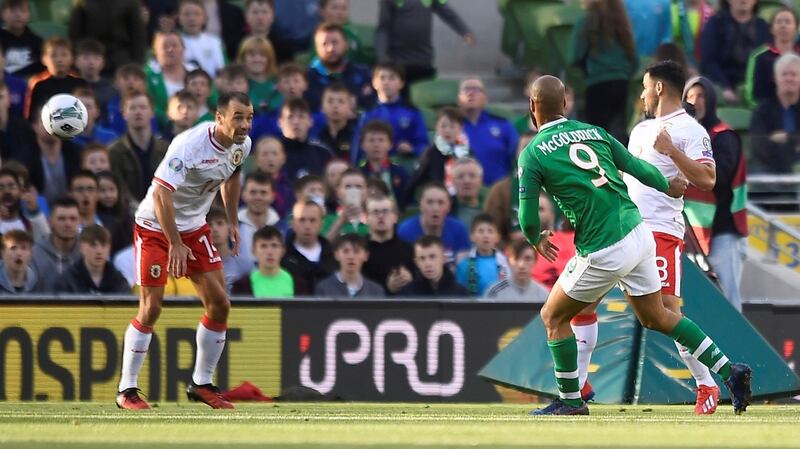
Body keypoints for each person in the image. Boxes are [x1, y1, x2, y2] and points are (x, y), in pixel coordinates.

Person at [519, 74, 750, 416]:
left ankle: (570, 400)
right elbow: (635, 167)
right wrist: (667, 185)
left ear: (532, 107)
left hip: (603, 245)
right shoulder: (594, 132)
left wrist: (535, 237)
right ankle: (731, 371)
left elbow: (527, 217)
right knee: (658, 316)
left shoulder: (532, 153)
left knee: (553, 316)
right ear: (565, 105)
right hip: (640, 234)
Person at [115, 91, 254, 410]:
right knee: (151, 308)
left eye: (249, 117)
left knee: (220, 304)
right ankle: (127, 391)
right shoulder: (188, 146)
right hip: (154, 226)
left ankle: (201, 383)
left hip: (194, 226)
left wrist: (232, 219)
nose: (245, 124)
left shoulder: (242, 145)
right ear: (219, 118)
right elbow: (162, 195)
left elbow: (232, 176)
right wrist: (175, 243)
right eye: (238, 117)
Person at [683, 76, 748, 312]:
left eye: (701, 96)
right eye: (690, 96)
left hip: (723, 232)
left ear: (710, 100)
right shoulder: (683, 137)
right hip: (693, 233)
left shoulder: (724, 136)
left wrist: (686, 165)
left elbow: (717, 178)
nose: (695, 102)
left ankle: (734, 348)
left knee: (727, 303)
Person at [569, 0, 638, 143]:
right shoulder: (623, 22)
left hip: (596, 84)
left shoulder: (585, 21)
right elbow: (634, 60)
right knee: (618, 132)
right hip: (621, 83)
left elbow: (574, 56)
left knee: (597, 136)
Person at [375, 0, 473, 89]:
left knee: (423, 98)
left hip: (423, 60)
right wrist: (383, 57)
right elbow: (383, 29)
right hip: (399, 61)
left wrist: (464, 31)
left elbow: (447, 12)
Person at [700, 0, 769, 105]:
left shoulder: (763, 27)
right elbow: (709, 62)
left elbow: (766, 62)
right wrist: (725, 87)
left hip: (754, 87)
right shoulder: (715, 23)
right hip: (721, 85)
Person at [109, 91, 170, 202]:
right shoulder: (115, 151)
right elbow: (120, 188)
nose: (138, 112)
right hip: (130, 214)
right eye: (132, 108)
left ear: (152, 112)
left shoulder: (166, 149)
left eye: (143, 107)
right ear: (124, 114)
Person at [358, 62, 428, 158]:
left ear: (401, 83)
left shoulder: (412, 112)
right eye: (382, 78)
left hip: (404, 165)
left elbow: (423, 144)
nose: (386, 82)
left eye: (392, 78)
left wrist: (412, 149)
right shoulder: (367, 114)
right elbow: (359, 146)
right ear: (374, 83)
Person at [458, 77, 519, 184]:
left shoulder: (503, 125)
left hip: (499, 191)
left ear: (485, 98)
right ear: (458, 98)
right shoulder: (452, 126)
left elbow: (519, 155)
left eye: (476, 89)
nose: (470, 93)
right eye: (466, 89)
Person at [405, 106, 470, 205]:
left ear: (461, 128)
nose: (447, 130)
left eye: (452, 126)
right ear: (436, 128)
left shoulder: (466, 152)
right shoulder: (430, 153)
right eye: (443, 126)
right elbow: (416, 178)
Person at [750, 52, 800, 174]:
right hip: (769, 168)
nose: (789, 78)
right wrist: (794, 144)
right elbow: (759, 146)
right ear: (775, 78)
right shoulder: (762, 110)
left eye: (793, 74)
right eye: (784, 74)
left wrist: (785, 138)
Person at [397, 182, 470, 265]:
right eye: (430, 202)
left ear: (449, 207)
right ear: (421, 205)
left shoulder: (458, 229)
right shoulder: (405, 232)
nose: (435, 208)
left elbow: (466, 267)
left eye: (441, 202)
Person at [306, 23, 374, 111]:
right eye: (324, 44)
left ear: (346, 45)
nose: (330, 49)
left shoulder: (364, 73)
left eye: (335, 42)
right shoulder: (308, 78)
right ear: (317, 49)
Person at [67, 0, 146, 76]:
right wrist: (77, 64)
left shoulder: (130, 3)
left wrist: (138, 65)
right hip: (92, 57)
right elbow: (75, 35)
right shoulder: (83, 3)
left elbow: (138, 36)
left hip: (121, 58)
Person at [744, 7, 800, 108]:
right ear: (771, 29)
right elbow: (752, 95)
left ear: (796, 29)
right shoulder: (759, 56)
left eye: (788, 22)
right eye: (779, 22)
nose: (783, 25)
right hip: (768, 114)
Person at [280, 199, 336, 296]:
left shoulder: (334, 255)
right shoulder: (283, 257)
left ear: (321, 224)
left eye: (312, 220)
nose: (307, 226)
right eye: (302, 220)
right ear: (292, 223)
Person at [52, 224, 130, 294]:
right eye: (93, 245)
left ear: (109, 248)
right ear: (82, 247)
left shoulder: (119, 281)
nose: (99, 251)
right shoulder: (67, 280)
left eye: (103, 245)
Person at [363, 194, 414, 295]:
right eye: (375, 212)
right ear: (367, 218)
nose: (381, 216)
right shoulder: (359, 251)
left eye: (385, 211)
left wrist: (411, 280)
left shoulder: (410, 250)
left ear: (395, 217)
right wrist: (387, 288)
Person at [25, 36, 86, 120]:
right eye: (54, 55)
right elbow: (32, 117)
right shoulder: (39, 86)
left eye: (64, 55)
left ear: (72, 58)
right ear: (44, 59)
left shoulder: (80, 84)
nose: (59, 60)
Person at [31, 198, 81, 292]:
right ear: (50, 222)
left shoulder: (88, 252)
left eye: (73, 219)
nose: (68, 224)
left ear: (79, 221)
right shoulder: (35, 255)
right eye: (61, 219)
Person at [278, 98, 333, 181]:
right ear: (280, 122)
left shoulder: (322, 153)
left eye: (301, 116)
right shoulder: (273, 153)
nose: (296, 122)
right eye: (290, 117)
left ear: (310, 121)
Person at [455, 213, 509, 297]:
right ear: (472, 236)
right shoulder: (464, 265)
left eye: (490, 231)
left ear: (498, 237)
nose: (485, 235)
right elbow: (459, 292)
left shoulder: (506, 263)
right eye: (481, 231)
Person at [315, 234, 385, 298]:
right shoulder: (323, 288)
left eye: (356, 251)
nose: (351, 257)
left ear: (366, 256)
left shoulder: (376, 291)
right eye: (345, 251)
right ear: (336, 254)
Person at [232, 225, 293, 297]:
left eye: (274, 246)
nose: (269, 252)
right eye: (263, 246)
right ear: (253, 251)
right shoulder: (241, 286)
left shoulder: (298, 283)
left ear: (283, 250)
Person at [146, 31, 194, 123]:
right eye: (165, 46)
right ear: (155, 51)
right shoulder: (148, 76)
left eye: (174, 46)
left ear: (183, 48)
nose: (170, 50)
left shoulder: (196, 73)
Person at [359, 119, 409, 204]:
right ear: (362, 145)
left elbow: (409, 203)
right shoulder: (359, 174)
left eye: (381, 140)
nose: (376, 145)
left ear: (390, 145)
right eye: (371, 140)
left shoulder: (400, 173)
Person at [400, 235, 468, 297]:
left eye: (432, 257)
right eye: (422, 258)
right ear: (416, 263)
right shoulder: (407, 294)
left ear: (444, 258)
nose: (427, 263)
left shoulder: (461, 294)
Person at [484, 239, 549, 302]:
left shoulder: (544, 295)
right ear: (508, 261)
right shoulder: (495, 293)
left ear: (535, 261)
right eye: (516, 258)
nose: (521, 265)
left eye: (527, 259)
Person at [238, 171, 279, 266]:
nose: (258, 197)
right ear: (243, 194)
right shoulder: (231, 227)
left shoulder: (282, 228)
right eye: (253, 192)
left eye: (263, 193)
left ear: (272, 196)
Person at [207, 207, 252, 292]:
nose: (215, 229)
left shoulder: (244, 264)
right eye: (209, 225)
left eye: (220, 223)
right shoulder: (199, 264)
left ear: (229, 228)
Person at [178, 0, 227, 78]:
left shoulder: (215, 41)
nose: (192, 18)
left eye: (197, 14)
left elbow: (221, 69)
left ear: (205, 18)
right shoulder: (176, 42)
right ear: (179, 18)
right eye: (186, 14)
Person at [0, 168, 49, 242]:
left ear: (21, 191)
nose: (7, 191)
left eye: (12, 186)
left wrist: (35, 213)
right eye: (1, 187)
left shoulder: (30, 222)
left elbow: (47, 243)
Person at [249, 136, 293, 217]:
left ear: (283, 158)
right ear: (256, 159)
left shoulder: (290, 185)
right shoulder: (249, 185)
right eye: (265, 154)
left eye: (275, 154)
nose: (270, 159)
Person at [314, 82, 359, 161]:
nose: (335, 106)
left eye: (341, 101)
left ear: (349, 107)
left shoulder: (357, 137)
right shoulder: (317, 137)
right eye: (330, 101)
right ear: (322, 107)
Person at [322, 168, 369, 240]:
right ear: (338, 192)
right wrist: (340, 222)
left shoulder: (375, 218)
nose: (353, 190)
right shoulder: (327, 221)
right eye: (348, 186)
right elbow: (322, 248)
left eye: (358, 186)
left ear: (366, 192)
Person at [74, 39, 117, 117]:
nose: (91, 62)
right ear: (76, 61)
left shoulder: (111, 90)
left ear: (103, 62)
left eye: (96, 58)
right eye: (86, 58)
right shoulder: (70, 86)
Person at [0, 0, 43, 77]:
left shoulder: (36, 41)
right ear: (2, 14)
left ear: (29, 15)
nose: (18, 15)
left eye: (23, 11)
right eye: (13, 11)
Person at [238, 36, 280, 113]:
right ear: (243, 58)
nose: (257, 59)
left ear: (269, 59)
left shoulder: (279, 84)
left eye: (262, 55)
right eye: (252, 55)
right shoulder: (236, 85)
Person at [96, 171, 134, 255]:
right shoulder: (95, 217)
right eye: (102, 190)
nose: (108, 195)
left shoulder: (126, 215)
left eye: (111, 189)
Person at [0, 229, 42, 294]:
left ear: (31, 254)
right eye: (13, 248)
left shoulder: (38, 283)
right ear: (3, 253)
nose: (19, 253)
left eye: (24, 248)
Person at [449, 157, 486, 231]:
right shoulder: (445, 211)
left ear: (481, 180)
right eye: (460, 177)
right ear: (453, 182)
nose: (467, 181)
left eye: (472, 176)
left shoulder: (491, 208)